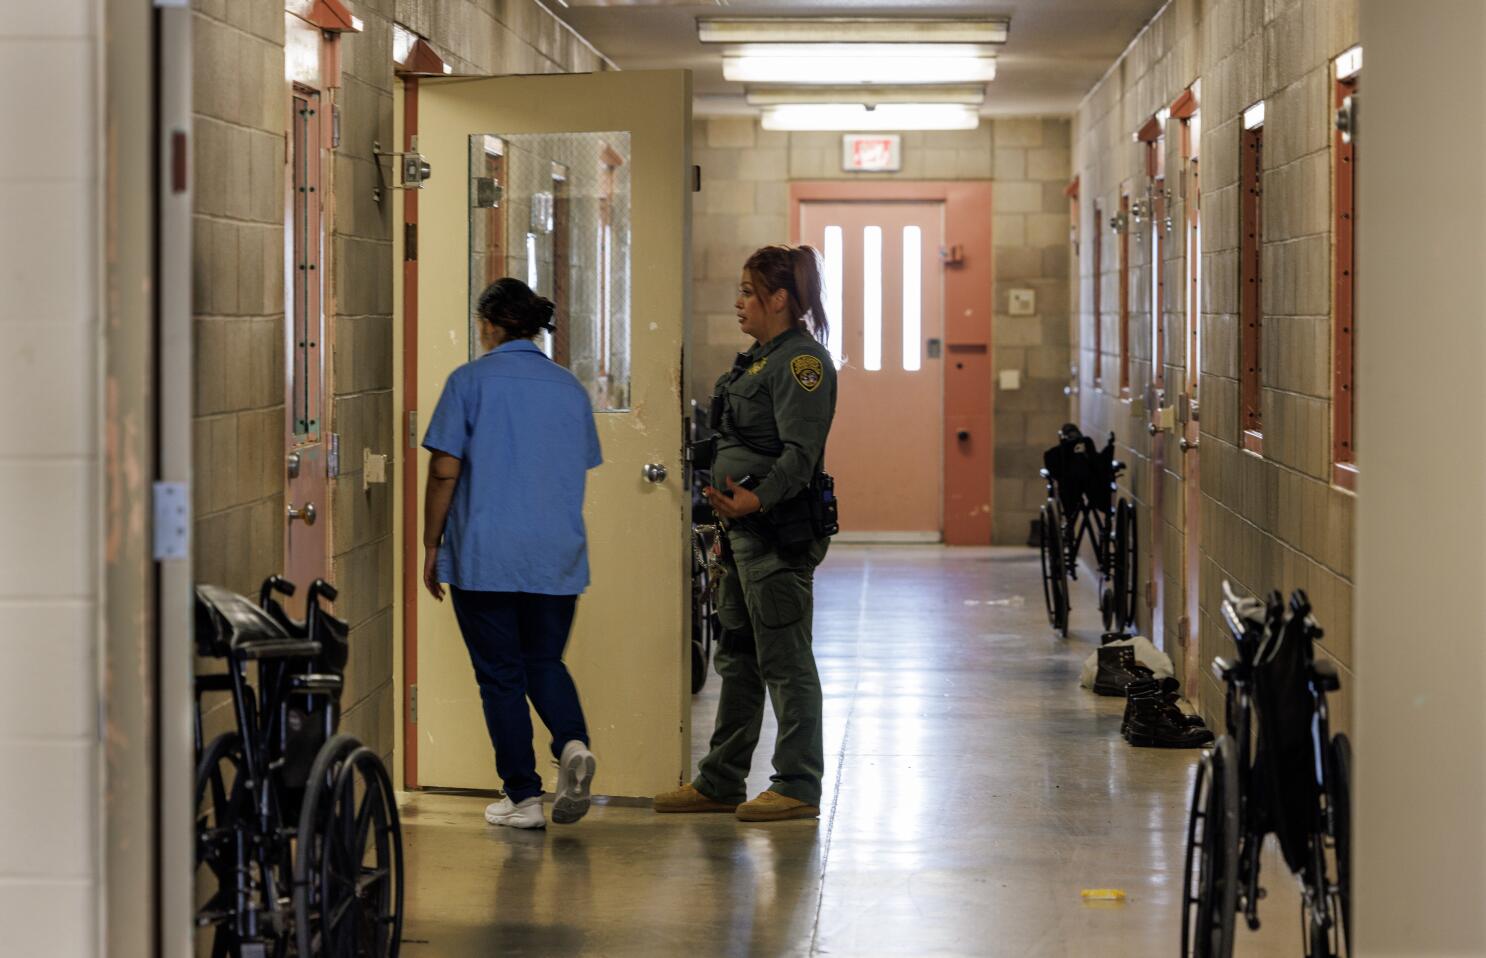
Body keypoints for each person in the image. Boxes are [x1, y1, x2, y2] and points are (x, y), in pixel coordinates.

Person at [655, 244, 837, 823]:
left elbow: (801, 454)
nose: (738, 303)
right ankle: (721, 779)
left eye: (747, 292)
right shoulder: (760, 358)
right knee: (738, 656)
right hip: (739, 530)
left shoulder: (801, 364)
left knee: (785, 660)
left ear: (779, 299)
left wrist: (756, 495)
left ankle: (798, 784)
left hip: (774, 531)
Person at [421, 278, 601, 830]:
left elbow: (445, 470)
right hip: (555, 556)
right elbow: (580, 464)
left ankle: (523, 797)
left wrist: (432, 543)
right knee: (543, 661)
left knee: (501, 675)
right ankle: (572, 744)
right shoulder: (569, 389)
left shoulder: (469, 382)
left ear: (490, 324)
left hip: (486, 554)